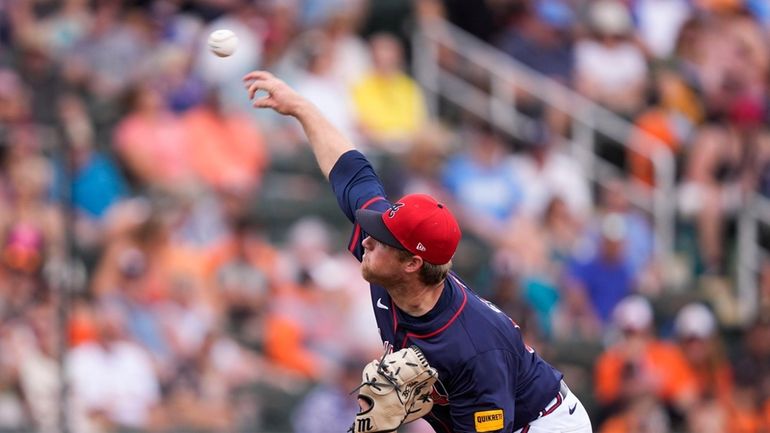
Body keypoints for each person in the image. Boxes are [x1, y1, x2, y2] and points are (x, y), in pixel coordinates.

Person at [243, 70, 592, 433]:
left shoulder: (474, 347)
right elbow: (350, 170)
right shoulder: (388, 264)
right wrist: (300, 107)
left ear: (412, 263)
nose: (367, 240)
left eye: (380, 240)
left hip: (541, 424)